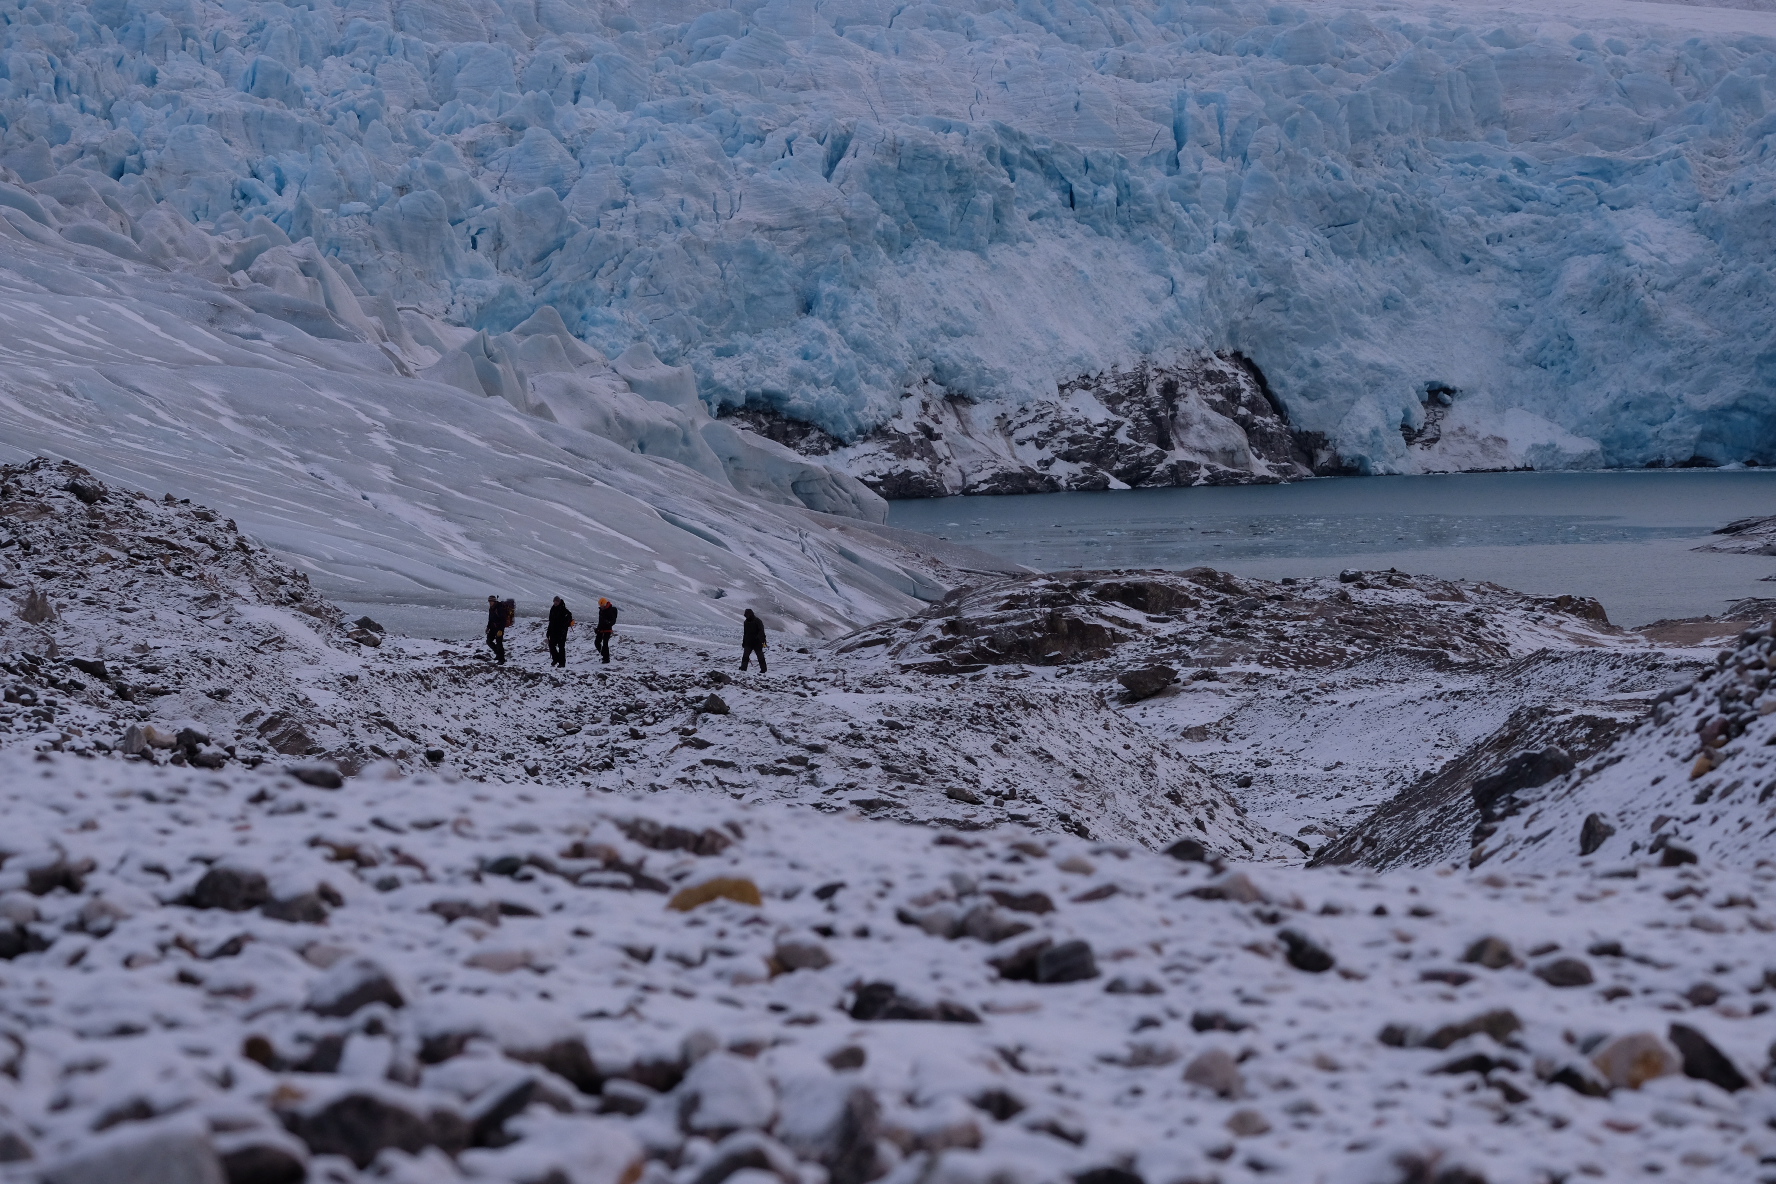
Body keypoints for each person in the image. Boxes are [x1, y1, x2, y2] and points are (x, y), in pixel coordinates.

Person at [546, 596, 574, 668]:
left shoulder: (564, 610)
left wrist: (564, 628)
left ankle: (562, 663)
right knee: (552, 645)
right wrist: (548, 631)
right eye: (554, 601)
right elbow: (551, 622)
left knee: (561, 647)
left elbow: (569, 618)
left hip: (561, 632)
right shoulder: (552, 609)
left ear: (559, 602)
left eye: (557, 601)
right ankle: (555, 659)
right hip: (553, 631)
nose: (555, 602)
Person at [485, 594, 510, 665]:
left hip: (499, 629)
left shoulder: (499, 608)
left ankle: (502, 659)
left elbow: (503, 620)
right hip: (492, 628)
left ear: (494, 601)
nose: (490, 602)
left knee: (499, 643)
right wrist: (488, 627)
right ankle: (498, 654)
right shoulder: (491, 608)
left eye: (491, 601)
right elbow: (490, 619)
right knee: (489, 641)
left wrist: (501, 630)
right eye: (489, 601)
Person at [741, 608, 767, 672]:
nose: (746, 616)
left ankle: (763, 669)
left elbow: (761, 632)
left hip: (757, 642)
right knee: (745, 656)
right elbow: (745, 633)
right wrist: (744, 642)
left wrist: (760, 640)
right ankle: (743, 668)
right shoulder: (746, 622)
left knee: (760, 656)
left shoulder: (758, 621)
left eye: (747, 615)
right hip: (748, 642)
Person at [594, 597, 617, 664]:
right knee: (597, 643)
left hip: (607, 629)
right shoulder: (601, 610)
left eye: (603, 606)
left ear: (606, 604)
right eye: (601, 606)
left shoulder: (612, 610)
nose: (602, 607)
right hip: (601, 629)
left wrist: (608, 623)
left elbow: (613, 620)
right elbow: (600, 621)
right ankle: (604, 655)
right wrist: (597, 629)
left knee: (605, 643)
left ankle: (606, 659)